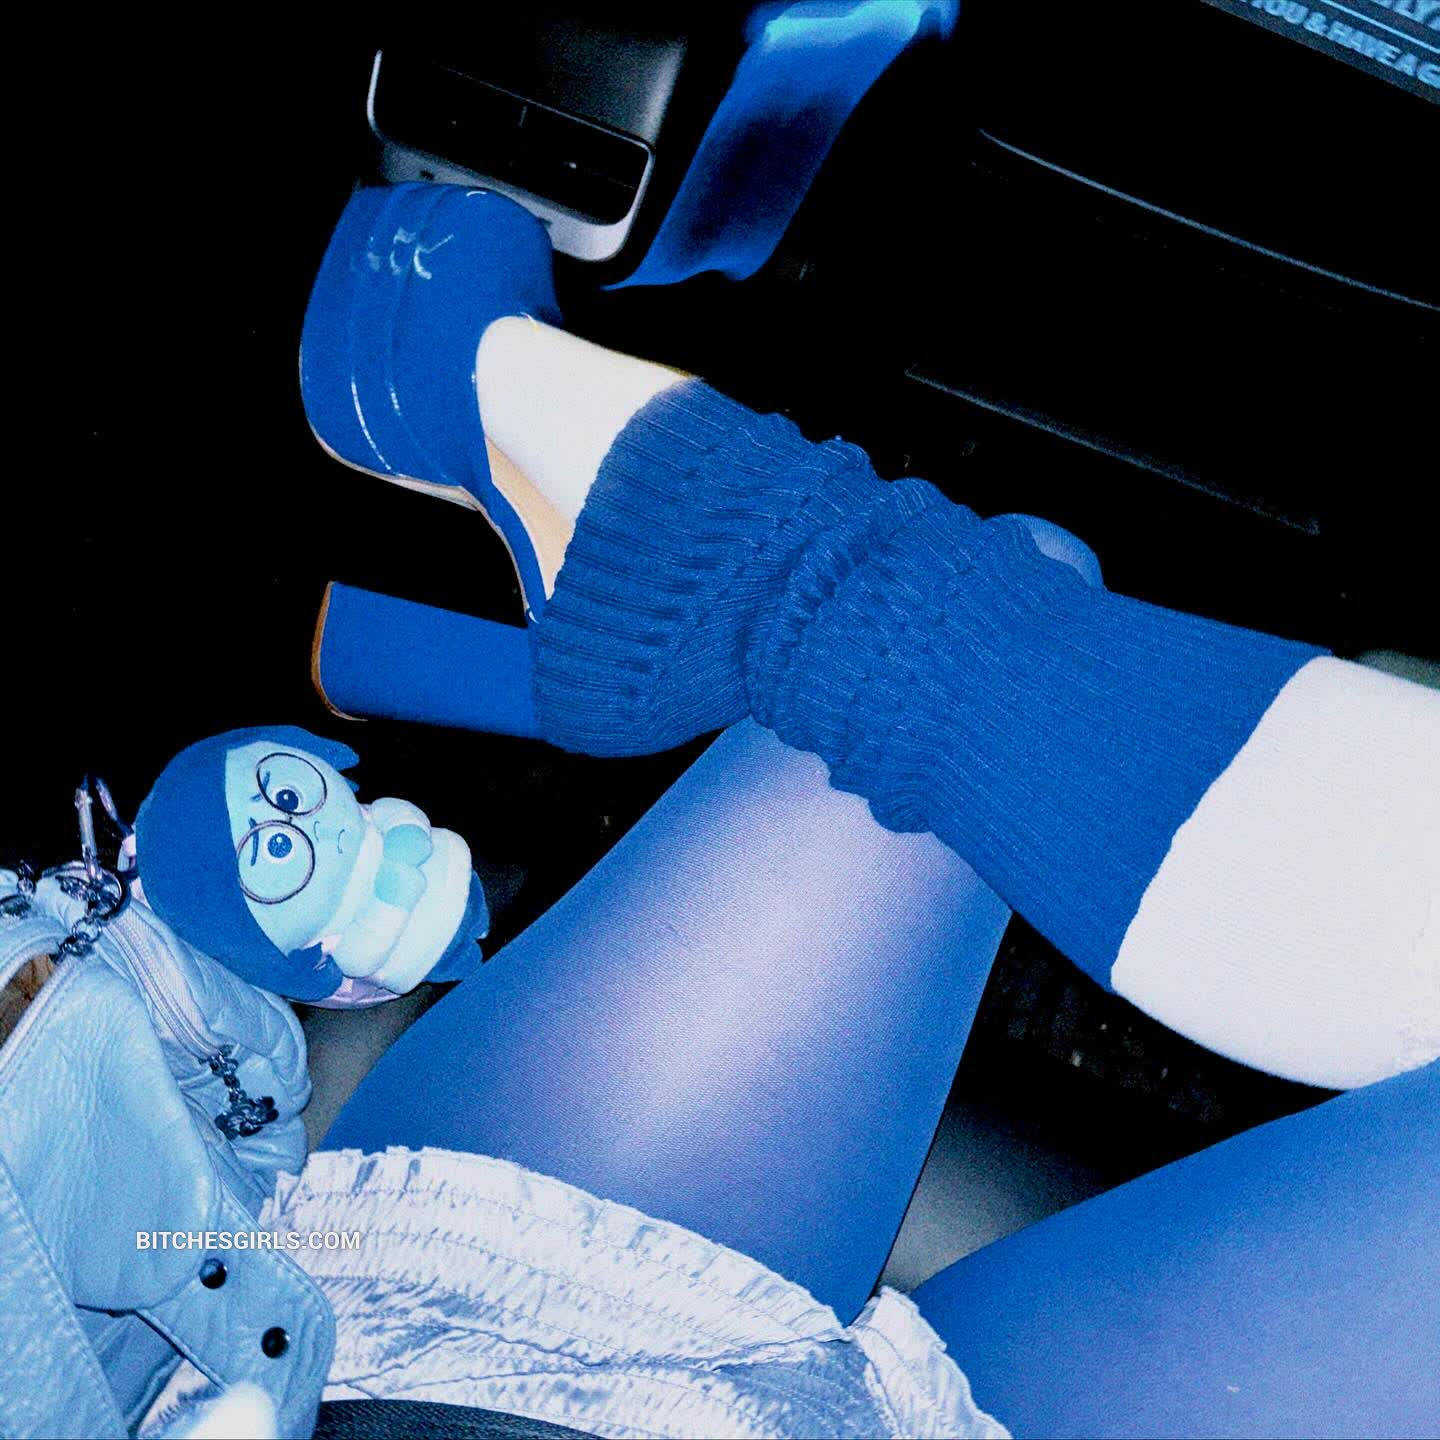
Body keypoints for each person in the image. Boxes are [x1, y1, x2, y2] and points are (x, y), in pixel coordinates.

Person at [271, 186, 1440, 1438]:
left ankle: (726, 561)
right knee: (1000, 665)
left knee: (1006, 618)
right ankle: (720, 567)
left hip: (508, 1373)